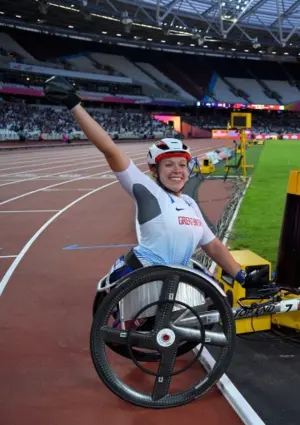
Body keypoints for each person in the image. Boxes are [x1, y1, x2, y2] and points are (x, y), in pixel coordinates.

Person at [43, 76, 268, 326]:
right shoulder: (147, 190)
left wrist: (241, 276)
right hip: (145, 275)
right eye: (168, 165)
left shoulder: (190, 205)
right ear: (155, 171)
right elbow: (110, 149)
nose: (176, 170)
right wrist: (75, 105)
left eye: (182, 165)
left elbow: (213, 246)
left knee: (218, 299)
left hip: (179, 281)